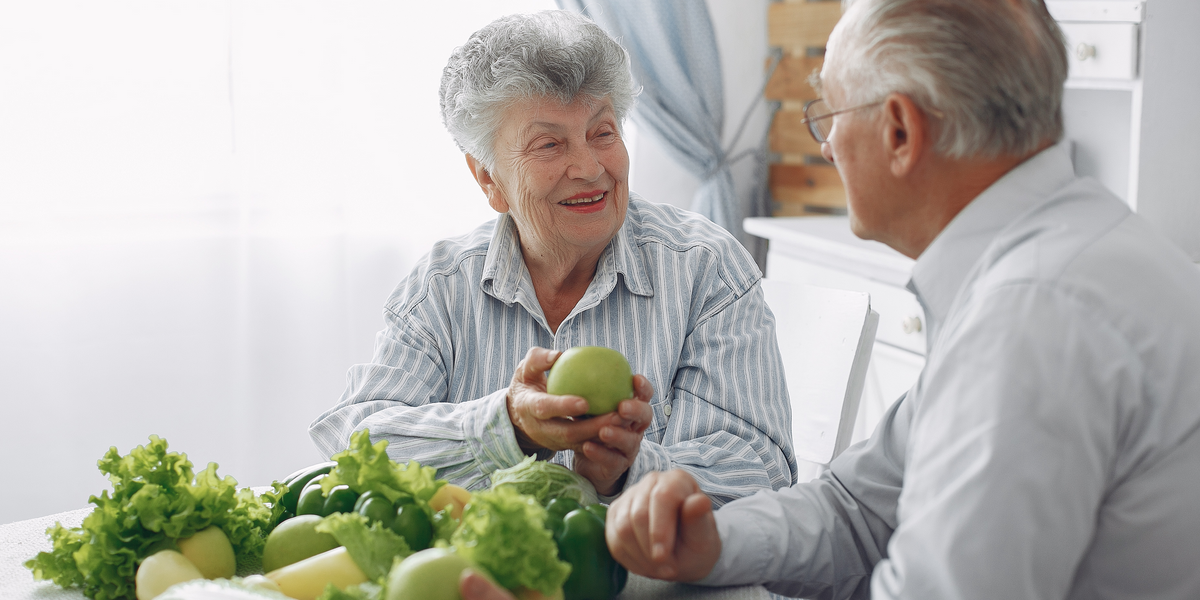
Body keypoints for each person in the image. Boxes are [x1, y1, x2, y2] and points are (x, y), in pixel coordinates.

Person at [601, 0, 1200, 599]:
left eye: (831, 113)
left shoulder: (1028, 321)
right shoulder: (1072, 247)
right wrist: (716, 543)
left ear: (899, 131)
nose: (828, 147)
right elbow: (860, 505)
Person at [308, 10, 795, 509]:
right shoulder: (443, 283)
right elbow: (358, 440)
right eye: (549, 144)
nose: (588, 168)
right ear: (489, 180)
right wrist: (508, 426)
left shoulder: (706, 269)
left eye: (603, 132)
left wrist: (628, 471)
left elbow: (761, 471)